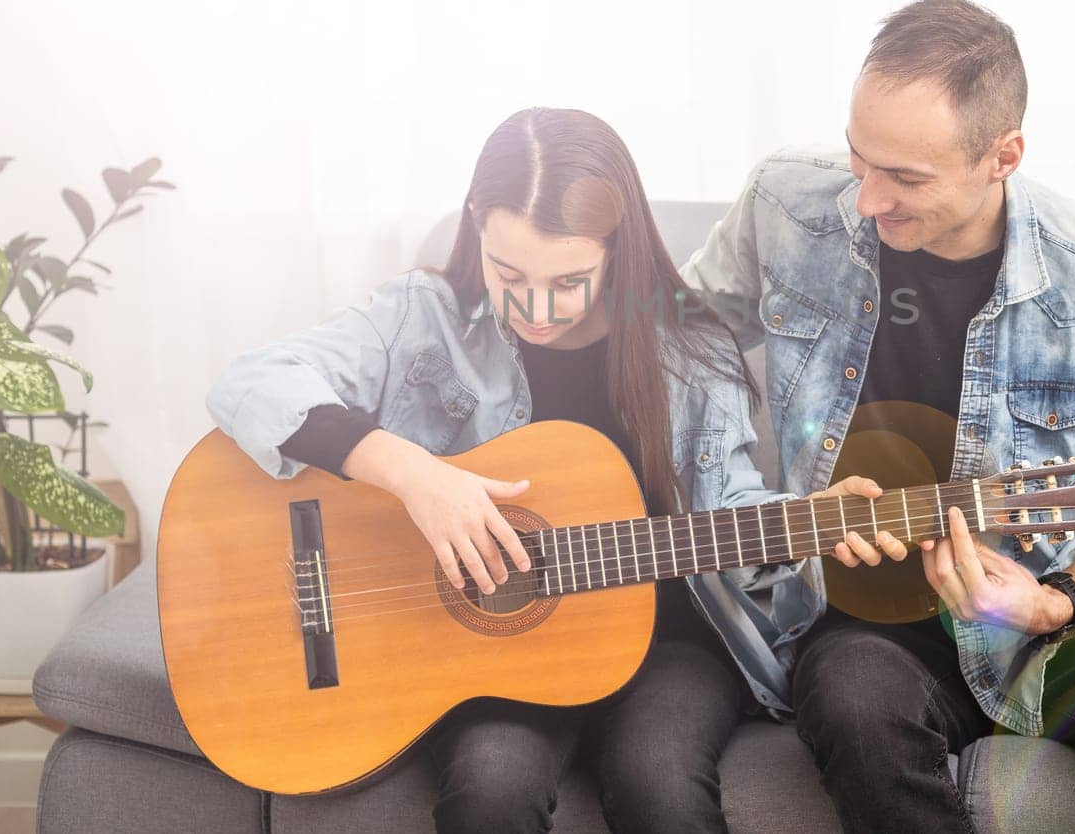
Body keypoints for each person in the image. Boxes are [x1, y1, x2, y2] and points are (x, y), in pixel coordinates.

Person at [680, 0, 1075, 833]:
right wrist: (760, 509)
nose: (869, 199)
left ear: (1004, 155)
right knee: (854, 714)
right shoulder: (786, 205)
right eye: (860, 159)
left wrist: (1056, 600)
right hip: (865, 626)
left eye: (907, 178)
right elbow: (677, 342)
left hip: (1056, 613)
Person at [206, 107, 862, 834]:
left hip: (668, 646)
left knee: (662, 788)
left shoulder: (689, 348)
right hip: (496, 653)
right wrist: (415, 475)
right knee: (491, 788)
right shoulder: (423, 318)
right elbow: (251, 382)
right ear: (476, 226)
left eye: (569, 279)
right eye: (508, 272)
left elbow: (730, 503)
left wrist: (813, 527)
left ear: (618, 250)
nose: (537, 307)